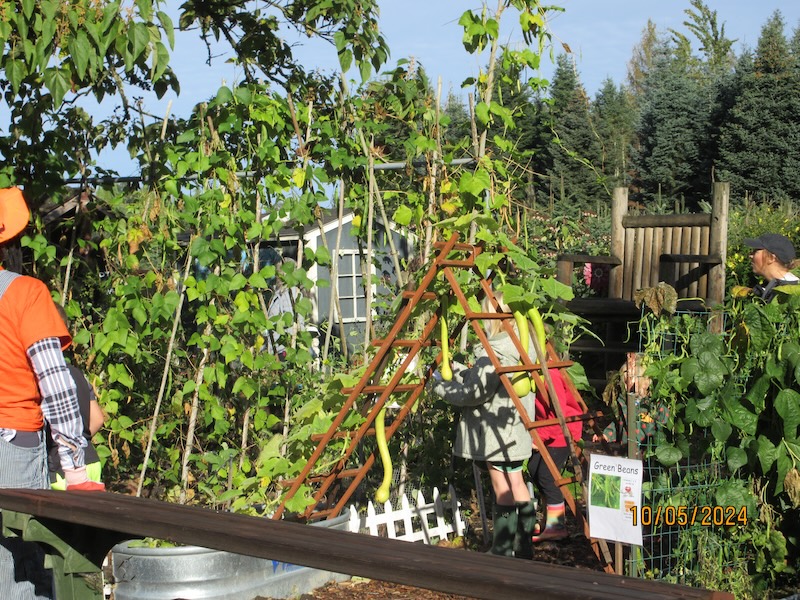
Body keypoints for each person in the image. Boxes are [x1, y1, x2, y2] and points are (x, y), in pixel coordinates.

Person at [0, 186, 104, 600]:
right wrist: (75, 469)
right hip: (13, 451)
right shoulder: (26, 294)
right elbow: (58, 388)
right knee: (22, 572)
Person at [432, 293, 537, 558]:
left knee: (501, 486)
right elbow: (486, 380)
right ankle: (523, 545)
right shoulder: (525, 345)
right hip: (518, 428)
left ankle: (501, 547)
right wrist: (458, 369)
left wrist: (440, 386)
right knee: (518, 480)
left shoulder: (494, 351)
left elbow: (475, 393)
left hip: (496, 432)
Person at [47, 304, 106, 490]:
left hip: (62, 470)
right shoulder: (77, 374)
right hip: (90, 462)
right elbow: (97, 419)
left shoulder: (43, 378)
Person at [527, 368, 584, 542]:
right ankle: (549, 518)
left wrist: (539, 437)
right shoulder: (536, 373)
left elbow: (558, 413)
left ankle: (557, 526)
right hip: (548, 429)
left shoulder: (551, 374)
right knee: (533, 468)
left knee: (547, 475)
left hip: (562, 431)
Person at [744, 233, 799, 301]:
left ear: (771, 258)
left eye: (755, 251)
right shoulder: (769, 287)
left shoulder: (788, 295)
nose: (750, 256)